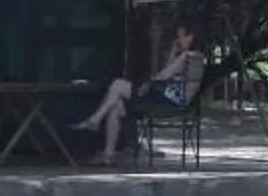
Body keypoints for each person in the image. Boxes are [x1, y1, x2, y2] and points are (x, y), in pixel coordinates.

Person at [75, 22, 205, 162]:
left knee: (118, 84)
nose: (178, 40)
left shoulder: (187, 56)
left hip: (165, 99)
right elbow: (169, 72)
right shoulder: (198, 58)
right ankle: (108, 154)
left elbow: (163, 75)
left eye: (180, 36)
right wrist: (174, 50)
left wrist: (149, 82)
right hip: (177, 102)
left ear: (190, 37)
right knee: (116, 107)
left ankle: (94, 120)